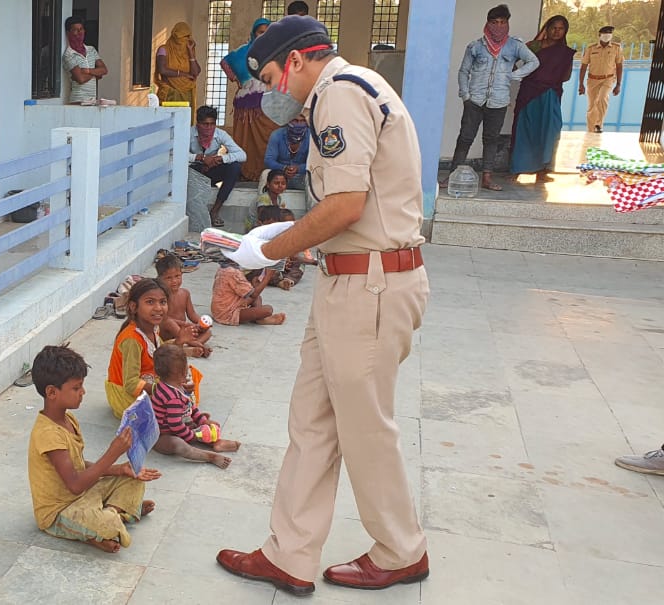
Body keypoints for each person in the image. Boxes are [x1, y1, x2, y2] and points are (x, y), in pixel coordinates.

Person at [219, 16, 430, 595]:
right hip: (350, 281)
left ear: (295, 61)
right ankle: (288, 554)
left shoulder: (338, 93)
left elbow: (344, 207)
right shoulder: (348, 90)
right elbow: (340, 206)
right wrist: (282, 235)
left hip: (370, 286)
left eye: (267, 77)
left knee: (364, 429)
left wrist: (268, 250)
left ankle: (401, 550)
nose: (268, 93)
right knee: (311, 422)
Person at [28, 344, 160, 553]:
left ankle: (111, 515)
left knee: (134, 480)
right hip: (60, 511)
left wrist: (119, 469)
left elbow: (79, 466)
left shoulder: (68, 419)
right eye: (76, 388)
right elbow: (75, 485)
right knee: (107, 524)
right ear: (52, 392)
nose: (83, 392)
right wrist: (112, 452)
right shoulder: (48, 434)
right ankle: (113, 519)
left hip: (84, 495)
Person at [450, 4, 539, 192]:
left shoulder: (515, 46)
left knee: (491, 139)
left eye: (503, 22)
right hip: (475, 100)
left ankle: (487, 178)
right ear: (487, 24)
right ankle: (452, 176)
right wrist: (465, 95)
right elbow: (463, 71)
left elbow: (534, 61)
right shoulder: (475, 47)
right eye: (494, 22)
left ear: (507, 23)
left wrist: (516, 75)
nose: (498, 26)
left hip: (498, 101)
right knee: (465, 138)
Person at [106, 279, 205, 418]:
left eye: (163, 302)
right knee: (171, 401)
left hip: (149, 379)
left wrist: (179, 341)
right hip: (125, 394)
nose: (158, 308)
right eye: (150, 302)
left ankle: (183, 407)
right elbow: (130, 384)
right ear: (134, 306)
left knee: (186, 374)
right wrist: (164, 389)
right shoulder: (132, 340)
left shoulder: (152, 327)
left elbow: (159, 352)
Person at [149, 344, 240, 469]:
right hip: (163, 436)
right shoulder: (172, 397)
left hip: (181, 426)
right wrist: (192, 436)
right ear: (184, 371)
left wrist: (203, 421)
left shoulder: (177, 386)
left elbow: (190, 407)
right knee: (179, 445)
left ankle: (216, 442)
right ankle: (209, 456)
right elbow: (175, 425)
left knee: (205, 426)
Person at [511, 16, 575, 181]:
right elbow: (513, 57)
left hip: (550, 94)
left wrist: (550, 76)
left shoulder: (565, 53)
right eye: (553, 27)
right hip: (529, 93)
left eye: (561, 28)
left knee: (550, 130)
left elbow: (566, 76)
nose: (556, 31)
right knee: (525, 129)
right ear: (546, 28)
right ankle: (518, 168)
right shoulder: (535, 46)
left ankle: (543, 170)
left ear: (565, 31)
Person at [222, 18, 279, 182]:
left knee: (269, 135)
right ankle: (246, 172)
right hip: (246, 104)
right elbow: (225, 62)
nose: (264, 36)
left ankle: (269, 172)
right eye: (260, 32)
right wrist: (237, 79)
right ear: (254, 33)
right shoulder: (242, 52)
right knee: (245, 139)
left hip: (270, 102)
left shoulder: (277, 52)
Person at [190, 105, 248, 227]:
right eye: (205, 124)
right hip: (194, 171)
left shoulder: (220, 134)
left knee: (234, 167)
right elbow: (176, 155)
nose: (209, 128)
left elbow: (242, 155)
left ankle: (215, 211)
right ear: (198, 123)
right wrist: (200, 158)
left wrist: (221, 159)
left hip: (211, 169)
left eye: (212, 124)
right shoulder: (188, 133)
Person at [155, 250, 212, 355]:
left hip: (183, 331)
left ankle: (189, 346)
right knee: (169, 322)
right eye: (169, 278)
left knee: (208, 333)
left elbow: (192, 314)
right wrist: (185, 324)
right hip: (167, 332)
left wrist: (201, 324)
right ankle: (195, 345)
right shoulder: (161, 296)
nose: (174, 281)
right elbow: (165, 319)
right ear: (160, 279)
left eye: (177, 276)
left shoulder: (185, 293)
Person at [209, 258, 284, 326]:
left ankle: (259, 318)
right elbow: (253, 295)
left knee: (258, 298)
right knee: (268, 310)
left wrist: (256, 284)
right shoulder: (233, 273)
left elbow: (248, 292)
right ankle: (260, 319)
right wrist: (268, 276)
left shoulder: (224, 268)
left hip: (222, 308)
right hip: (227, 313)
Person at [579, 26, 623, 134]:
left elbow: (619, 66)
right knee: (592, 106)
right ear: (599, 35)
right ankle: (591, 130)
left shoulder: (616, 48)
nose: (607, 34)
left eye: (610, 33)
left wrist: (618, 84)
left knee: (602, 99)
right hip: (593, 79)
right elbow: (584, 66)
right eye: (605, 32)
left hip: (607, 79)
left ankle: (599, 124)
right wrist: (581, 84)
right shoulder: (591, 48)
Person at [62, 16, 108, 104]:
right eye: (75, 30)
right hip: (78, 101)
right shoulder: (68, 55)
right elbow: (81, 79)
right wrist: (96, 73)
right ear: (68, 33)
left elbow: (104, 70)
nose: (79, 32)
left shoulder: (91, 50)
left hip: (92, 101)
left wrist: (86, 71)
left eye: (81, 29)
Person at [155, 22, 200, 105]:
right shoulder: (164, 49)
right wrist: (184, 74)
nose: (184, 40)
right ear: (174, 36)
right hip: (169, 95)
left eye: (187, 37)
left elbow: (195, 73)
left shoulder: (188, 51)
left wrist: (191, 52)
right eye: (181, 37)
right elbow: (162, 70)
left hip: (186, 96)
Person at [265, 117, 310, 190]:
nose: (299, 124)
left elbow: (315, 162)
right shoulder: (277, 135)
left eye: (302, 121)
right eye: (295, 120)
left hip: (303, 175)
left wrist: (299, 168)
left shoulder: (311, 137)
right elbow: (269, 160)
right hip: (280, 175)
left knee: (314, 179)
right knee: (265, 174)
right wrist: (283, 168)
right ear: (288, 121)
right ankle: (265, 201)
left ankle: (314, 202)